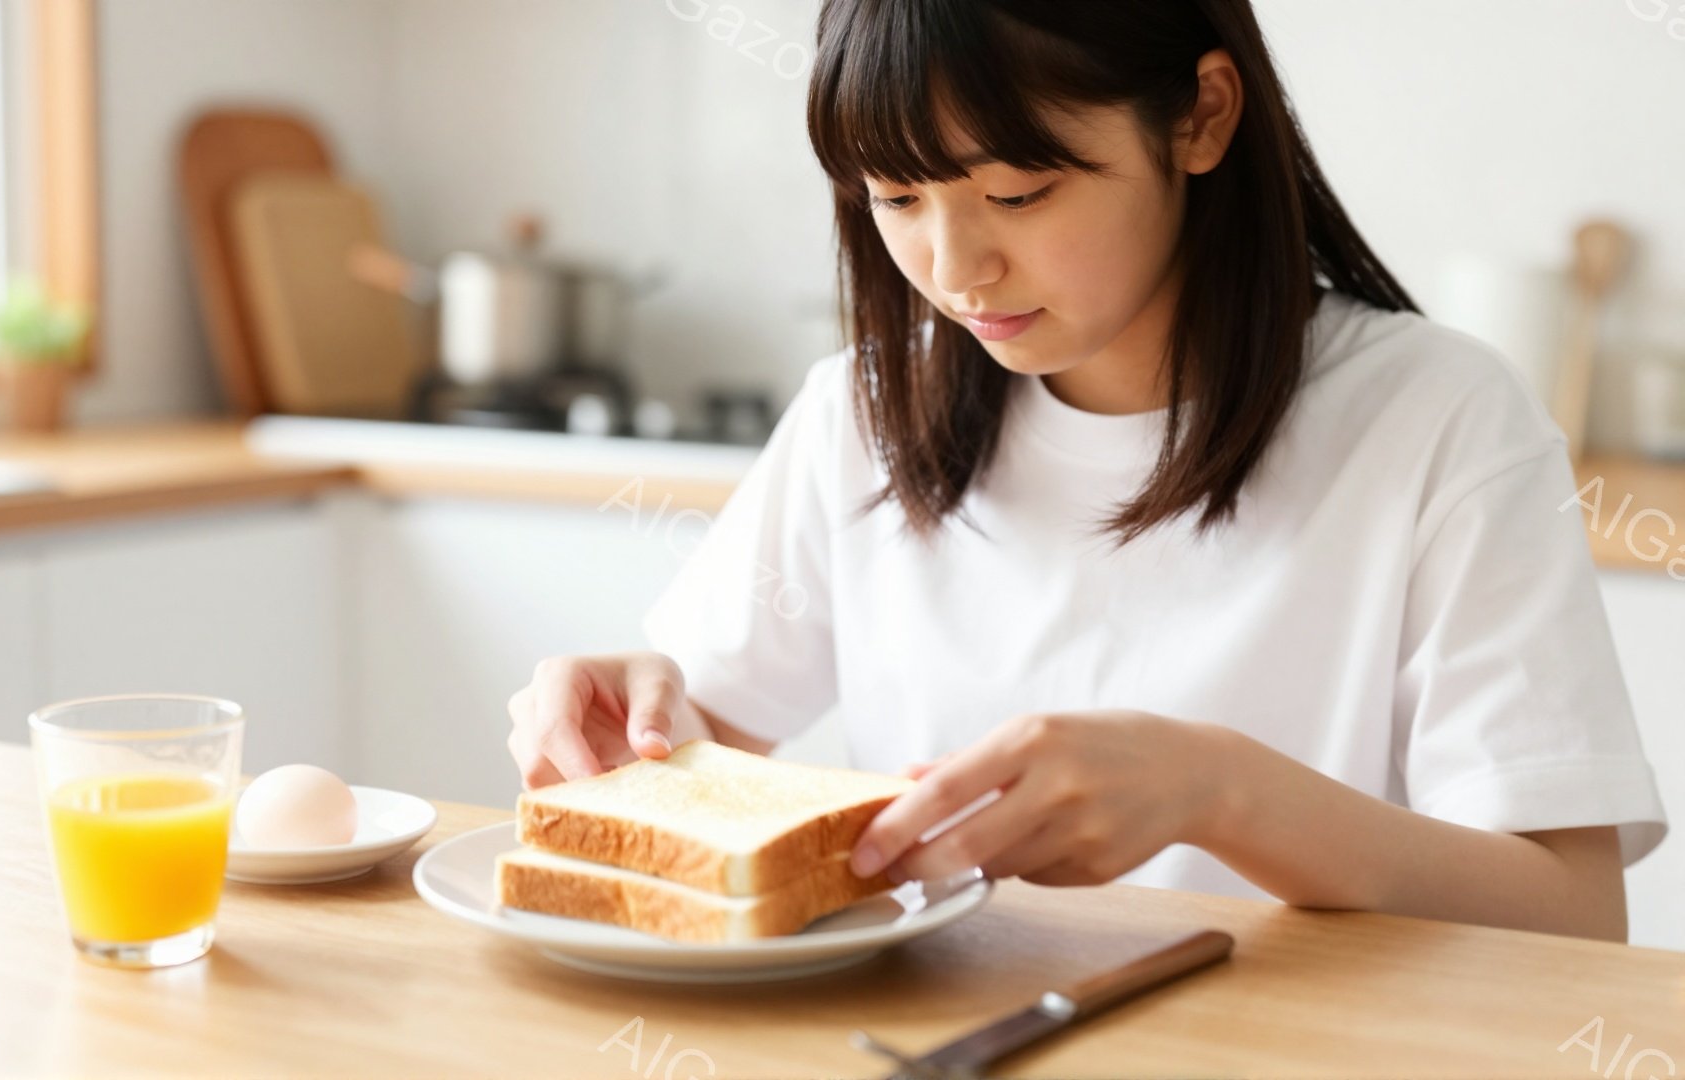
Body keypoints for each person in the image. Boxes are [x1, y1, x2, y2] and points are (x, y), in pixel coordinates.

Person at [504, 0, 1668, 941]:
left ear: (1203, 117)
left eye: (1018, 193)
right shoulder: (863, 410)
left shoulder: (1438, 419)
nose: (955, 268)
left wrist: (1218, 790)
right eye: (897, 197)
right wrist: (638, 718)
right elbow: (699, 737)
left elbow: (1570, 915)